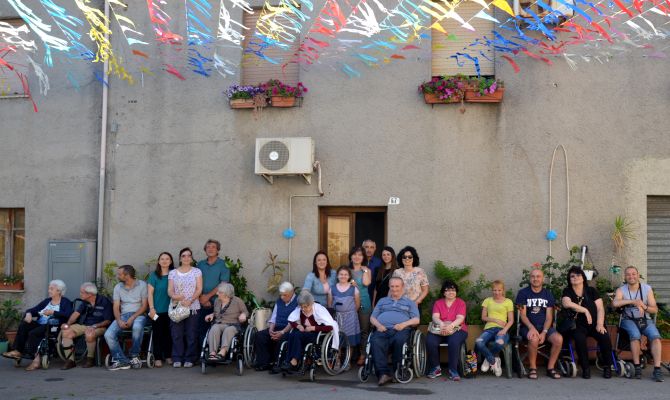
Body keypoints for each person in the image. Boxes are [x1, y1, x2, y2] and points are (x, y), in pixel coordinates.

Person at [3, 280, 73, 371]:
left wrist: (53, 312)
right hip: (40, 324)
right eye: (49, 288)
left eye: (51, 289)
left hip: (52, 327)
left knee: (33, 333)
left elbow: (67, 315)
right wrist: (28, 314)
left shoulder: (65, 302)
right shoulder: (47, 301)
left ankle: (36, 360)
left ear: (59, 291)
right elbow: (33, 310)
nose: (49, 291)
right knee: (24, 325)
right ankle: (18, 351)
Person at [613, 265, 665, 382]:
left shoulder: (647, 289)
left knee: (656, 338)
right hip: (628, 320)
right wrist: (634, 301)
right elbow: (615, 303)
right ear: (625, 277)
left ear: (638, 275)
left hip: (645, 319)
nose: (631, 276)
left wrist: (644, 306)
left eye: (633, 274)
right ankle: (636, 366)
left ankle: (657, 368)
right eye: (628, 274)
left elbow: (655, 309)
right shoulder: (621, 290)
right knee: (635, 336)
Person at [561, 266, 612, 379]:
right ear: (569, 279)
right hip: (578, 325)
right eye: (572, 276)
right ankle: (586, 368)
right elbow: (566, 303)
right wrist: (585, 310)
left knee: (604, 337)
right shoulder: (567, 291)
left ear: (583, 278)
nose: (575, 278)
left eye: (578, 275)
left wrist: (599, 324)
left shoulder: (591, 291)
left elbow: (600, 308)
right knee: (579, 339)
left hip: (595, 324)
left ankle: (607, 367)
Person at [369, 277, 420, 386]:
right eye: (392, 286)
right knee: (375, 341)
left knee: (399, 340)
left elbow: (416, 319)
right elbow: (372, 317)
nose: (394, 289)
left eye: (397, 286)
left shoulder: (409, 302)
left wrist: (404, 324)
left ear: (402, 287)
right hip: (383, 329)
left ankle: (398, 370)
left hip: (401, 329)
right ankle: (383, 374)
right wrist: (378, 325)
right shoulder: (382, 301)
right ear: (389, 287)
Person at [515, 267, 563, 379]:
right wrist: (531, 328)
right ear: (529, 278)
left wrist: (544, 332)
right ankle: (533, 368)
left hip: (544, 327)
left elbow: (549, 317)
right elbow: (522, 315)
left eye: (538, 276)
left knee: (558, 339)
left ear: (543, 279)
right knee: (534, 338)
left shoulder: (548, 294)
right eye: (533, 276)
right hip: (527, 327)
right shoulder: (523, 293)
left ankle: (550, 368)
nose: (535, 279)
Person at [59, 282, 113, 369]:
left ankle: (90, 359)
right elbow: (76, 314)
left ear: (90, 294)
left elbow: (108, 320)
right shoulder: (85, 302)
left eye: (82, 292)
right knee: (66, 331)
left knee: (89, 333)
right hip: (84, 325)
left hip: (100, 326)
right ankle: (70, 360)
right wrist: (67, 324)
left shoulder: (104, 301)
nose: (80, 294)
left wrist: (94, 326)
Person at [281, 291, 338, 372]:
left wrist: (313, 328)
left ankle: (294, 361)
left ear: (311, 304)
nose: (303, 309)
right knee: (292, 334)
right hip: (304, 333)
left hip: (317, 335)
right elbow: (291, 320)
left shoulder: (319, 310)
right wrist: (298, 326)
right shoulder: (300, 310)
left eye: (305, 307)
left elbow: (330, 327)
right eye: (301, 307)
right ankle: (288, 361)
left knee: (297, 335)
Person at [104, 265, 148, 371]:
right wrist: (119, 320)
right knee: (108, 334)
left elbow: (144, 306)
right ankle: (122, 360)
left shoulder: (142, 285)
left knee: (137, 327)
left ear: (127, 275)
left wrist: (132, 317)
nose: (117, 276)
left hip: (139, 315)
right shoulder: (118, 287)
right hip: (123, 315)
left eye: (119, 274)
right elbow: (115, 306)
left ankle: (134, 355)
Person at [425, 279, 468, 381]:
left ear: (456, 291)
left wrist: (450, 326)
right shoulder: (438, 303)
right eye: (448, 290)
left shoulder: (460, 303)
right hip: (440, 328)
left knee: (453, 341)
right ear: (444, 292)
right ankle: (436, 368)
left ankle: (453, 370)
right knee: (430, 341)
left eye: (453, 290)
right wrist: (442, 325)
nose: (451, 292)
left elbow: (460, 318)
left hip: (458, 329)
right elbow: (435, 317)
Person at [168, 247, 203, 368]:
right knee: (176, 333)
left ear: (192, 258)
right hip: (178, 307)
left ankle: (190, 358)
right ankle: (177, 357)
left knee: (191, 334)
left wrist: (190, 300)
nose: (186, 257)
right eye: (184, 255)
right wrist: (176, 296)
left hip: (193, 307)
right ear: (180, 258)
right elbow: (170, 290)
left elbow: (199, 289)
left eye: (189, 255)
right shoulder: (173, 272)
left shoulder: (197, 271)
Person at [254, 282, 298, 373]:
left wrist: (282, 332)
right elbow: (274, 318)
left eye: (285, 295)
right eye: (281, 295)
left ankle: (278, 364)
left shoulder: (297, 302)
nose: (282, 297)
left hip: (289, 329)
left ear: (292, 292)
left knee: (282, 338)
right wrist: (270, 329)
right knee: (260, 335)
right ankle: (264, 363)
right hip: (277, 327)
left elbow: (293, 322)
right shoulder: (279, 301)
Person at [475, 280, 514, 377]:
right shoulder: (487, 300)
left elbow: (511, 320)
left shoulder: (508, 302)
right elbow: (483, 317)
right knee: (478, 342)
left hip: (502, 330)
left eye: (499, 290)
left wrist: (504, 330)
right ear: (492, 290)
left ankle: (488, 359)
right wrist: (495, 320)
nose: (497, 292)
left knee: (499, 342)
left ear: (503, 290)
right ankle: (494, 360)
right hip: (489, 329)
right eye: (494, 290)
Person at [196, 239, 230, 344]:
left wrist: (208, 297)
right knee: (200, 329)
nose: (210, 249)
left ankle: (212, 354)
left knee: (214, 331)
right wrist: (202, 297)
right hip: (200, 302)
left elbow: (223, 283)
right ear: (205, 250)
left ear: (218, 250)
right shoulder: (200, 264)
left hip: (217, 302)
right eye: (208, 247)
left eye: (213, 247)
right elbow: (195, 282)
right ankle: (201, 355)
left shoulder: (223, 264)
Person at [204, 283, 249, 360]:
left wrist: (243, 315)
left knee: (228, 330)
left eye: (220, 292)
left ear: (227, 294)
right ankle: (212, 353)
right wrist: (211, 315)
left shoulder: (237, 301)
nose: (217, 293)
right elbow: (216, 312)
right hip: (220, 323)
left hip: (233, 324)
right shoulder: (217, 301)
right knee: (214, 327)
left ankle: (222, 352)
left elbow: (245, 312)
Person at [328, 266, 361, 361]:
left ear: (349, 276)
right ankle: (337, 360)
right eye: (341, 274)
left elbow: (357, 304)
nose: (343, 276)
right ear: (337, 276)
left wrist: (349, 312)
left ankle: (347, 362)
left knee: (350, 341)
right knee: (337, 339)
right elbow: (330, 304)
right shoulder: (332, 288)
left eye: (345, 274)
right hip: (337, 317)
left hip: (350, 317)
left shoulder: (353, 289)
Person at [147, 252, 174, 367]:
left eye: (167, 259)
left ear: (171, 261)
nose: (164, 261)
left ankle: (168, 356)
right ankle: (158, 357)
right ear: (158, 261)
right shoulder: (154, 275)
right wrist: (152, 308)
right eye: (162, 259)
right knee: (157, 334)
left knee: (169, 334)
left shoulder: (174, 275)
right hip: (157, 311)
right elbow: (150, 293)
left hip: (172, 311)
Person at [349, 246, 372, 366]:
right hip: (349, 304)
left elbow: (366, 283)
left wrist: (365, 271)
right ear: (351, 256)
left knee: (364, 330)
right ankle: (350, 353)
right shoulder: (346, 270)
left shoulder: (367, 270)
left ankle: (363, 354)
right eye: (355, 254)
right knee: (350, 329)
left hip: (364, 303)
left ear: (363, 257)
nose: (357, 257)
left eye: (360, 255)